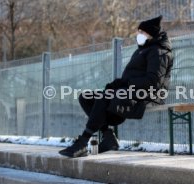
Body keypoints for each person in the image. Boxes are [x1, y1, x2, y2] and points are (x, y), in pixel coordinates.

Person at [59, 15, 173, 158]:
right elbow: (133, 76)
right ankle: (108, 136)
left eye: (142, 32)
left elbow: (154, 81)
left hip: (148, 95)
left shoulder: (159, 52)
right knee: (86, 97)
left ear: (151, 33)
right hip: (131, 92)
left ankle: (83, 142)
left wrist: (126, 85)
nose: (138, 35)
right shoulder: (143, 50)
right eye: (138, 32)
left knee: (103, 97)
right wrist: (118, 84)